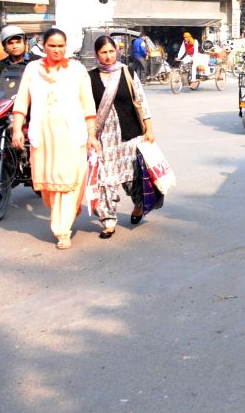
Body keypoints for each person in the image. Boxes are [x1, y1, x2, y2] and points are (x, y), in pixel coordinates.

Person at [11, 28, 100, 250]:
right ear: (43, 45)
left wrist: (91, 134)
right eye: (52, 45)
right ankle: (64, 214)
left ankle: (62, 230)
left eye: (61, 46)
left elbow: (88, 104)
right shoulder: (32, 69)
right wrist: (16, 129)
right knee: (50, 189)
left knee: (68, 182)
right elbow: (22, 101)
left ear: (66, 46)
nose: (57, 50)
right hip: (43, 135)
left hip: (72, 135)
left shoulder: (77, 70)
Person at [88, 36, 156, 238]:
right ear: (96, 54)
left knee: (134, 179)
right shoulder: (89, 77)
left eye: (111, 51)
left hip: (130, 135)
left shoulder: (127, 72)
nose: (108, 56)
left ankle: (139, 205)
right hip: (104, 139)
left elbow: (142, 102)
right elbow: (86, 108)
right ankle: (108, 221)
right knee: (105, 180)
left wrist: (149, 129)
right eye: (103, 52)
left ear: (116, 51)